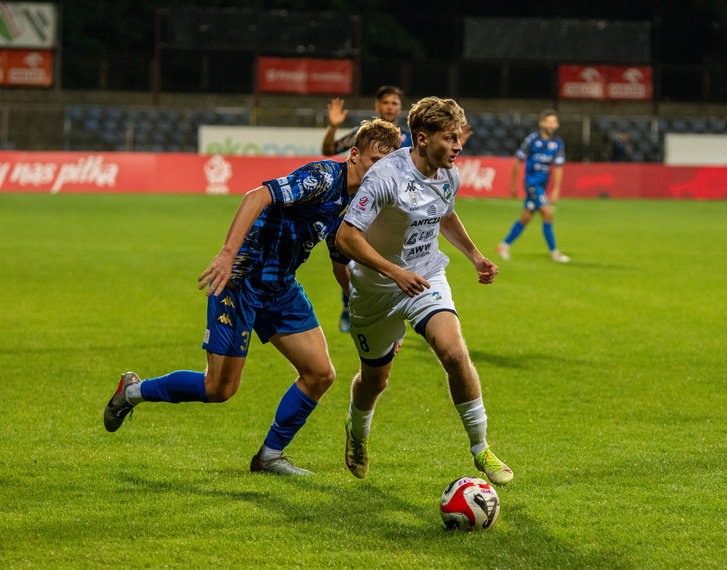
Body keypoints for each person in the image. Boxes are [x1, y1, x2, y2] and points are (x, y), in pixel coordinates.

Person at [103, 119, 402, 476]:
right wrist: (228, 254)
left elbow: (341, 261)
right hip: (240, 281)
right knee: (219, 388)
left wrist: (364, 312)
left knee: (320, 373)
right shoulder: (323, 178)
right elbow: (257, 196)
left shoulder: (357, 204)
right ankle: (134, 391)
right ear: (354, 155)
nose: (376, 173)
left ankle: (269, 456)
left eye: (385, 167)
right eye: (372, 162)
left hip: (281, 288)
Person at [335, 96, 514, 487]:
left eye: (459, 137)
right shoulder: (385, 176)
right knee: (375, 381)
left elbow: (445, 213)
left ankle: (480, 446)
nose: (458, 146)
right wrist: (393, 271)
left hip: (427, 275)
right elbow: (346, 236)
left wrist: (475, 256)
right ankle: (358, 431)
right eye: (450, 138)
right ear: (421, 138)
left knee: (453, 351)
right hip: (376, 288)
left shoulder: (448, 173)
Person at [322, 86, 413, 335]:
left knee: (385, 257)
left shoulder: (409, 138)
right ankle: (349, 304)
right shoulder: (362, 135)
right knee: (350, 255)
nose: (391, 107)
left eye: (395, 103)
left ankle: (388, 309)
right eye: (386, 103)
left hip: (390, 207)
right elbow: (329, 150)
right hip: (360, 203)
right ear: (377, 106)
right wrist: (332, 126)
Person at [496, 109, 570, 263]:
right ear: (541, 123)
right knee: (548, 214)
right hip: (531, 184)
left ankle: (503, 245)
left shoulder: (557, 143)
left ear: (557, 125)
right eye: (548, 121)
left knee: (526, 217)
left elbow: (558, 167)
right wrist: (513, 184)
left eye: (554, 122)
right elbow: (518, 161)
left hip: (542, 186)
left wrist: (556, 189)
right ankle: (554, 253)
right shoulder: (531, 140)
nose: (551, 125)